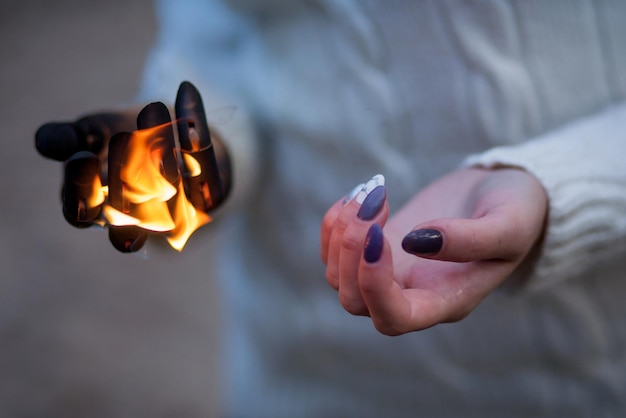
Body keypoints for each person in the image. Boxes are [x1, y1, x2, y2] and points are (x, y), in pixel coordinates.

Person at [37, 0, 626, 416]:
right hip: (307, 379)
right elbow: (211, 63)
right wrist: (205, 160)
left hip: (590, 380)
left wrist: (557, 188)